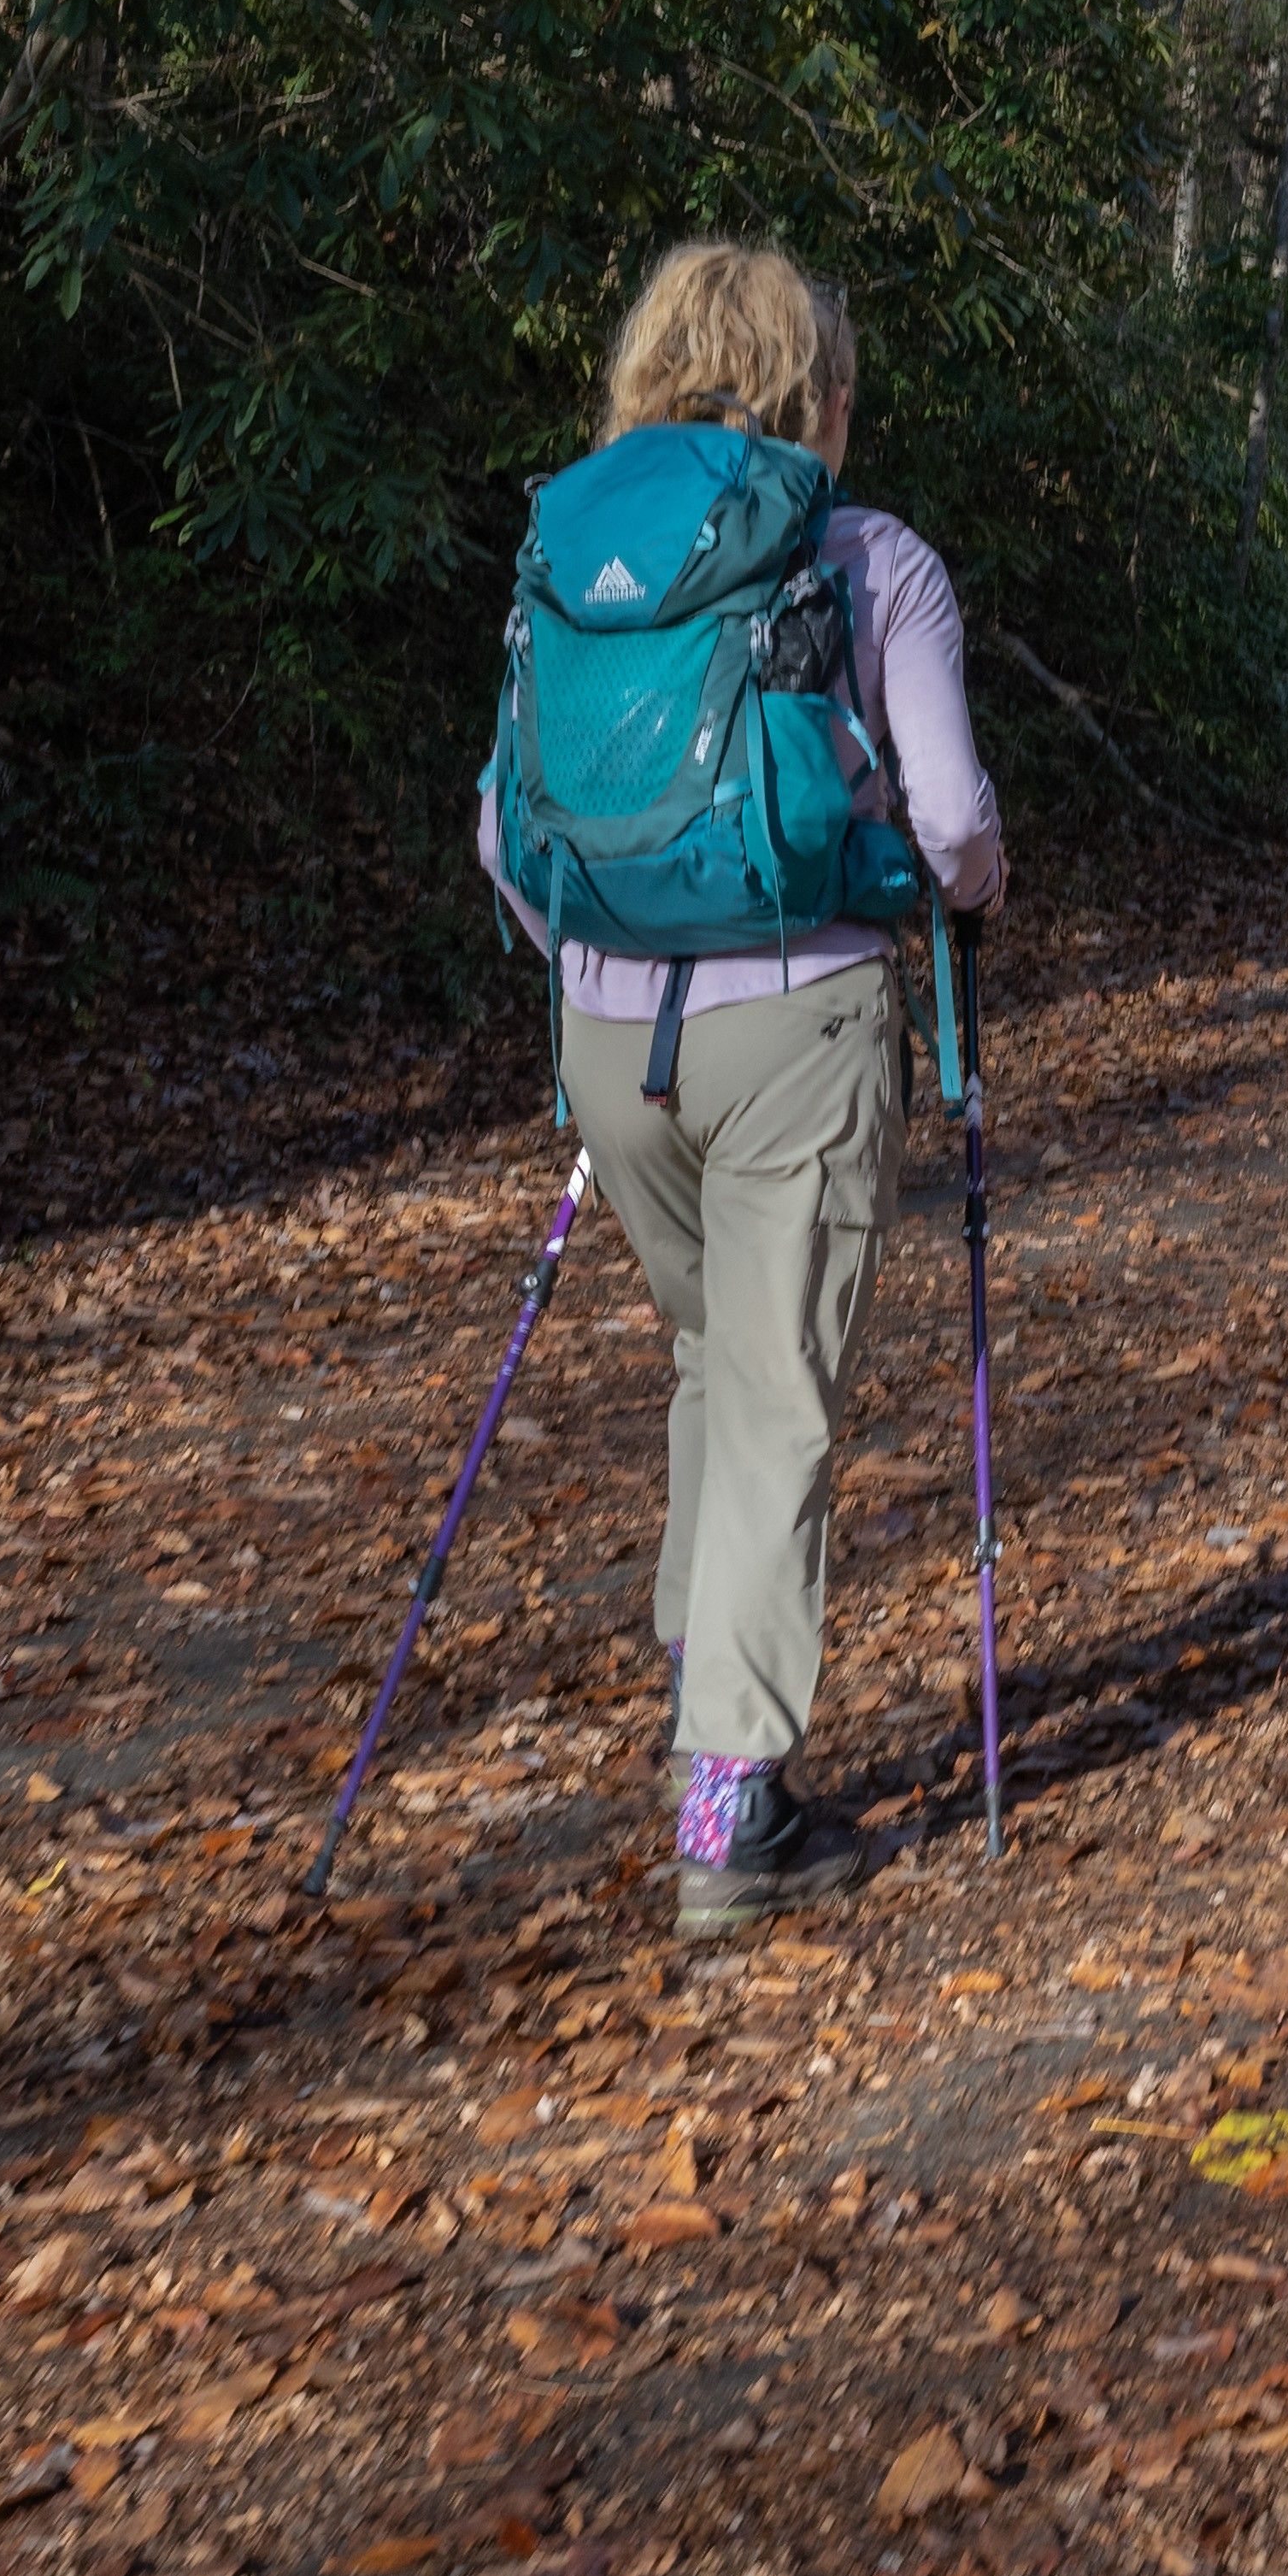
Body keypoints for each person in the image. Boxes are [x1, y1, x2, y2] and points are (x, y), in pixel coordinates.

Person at [478, 239, 1003, 1930]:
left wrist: (597, 954)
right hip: (801, 1019)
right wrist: (966, 891)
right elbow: (955, 827)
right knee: (780, 1390)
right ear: (819, 396)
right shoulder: (872, 560)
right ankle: (732, 1811)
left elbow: (503, 831)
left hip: (606, 1035)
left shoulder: (573, 550)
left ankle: (703, 1679)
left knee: (716, 1354)